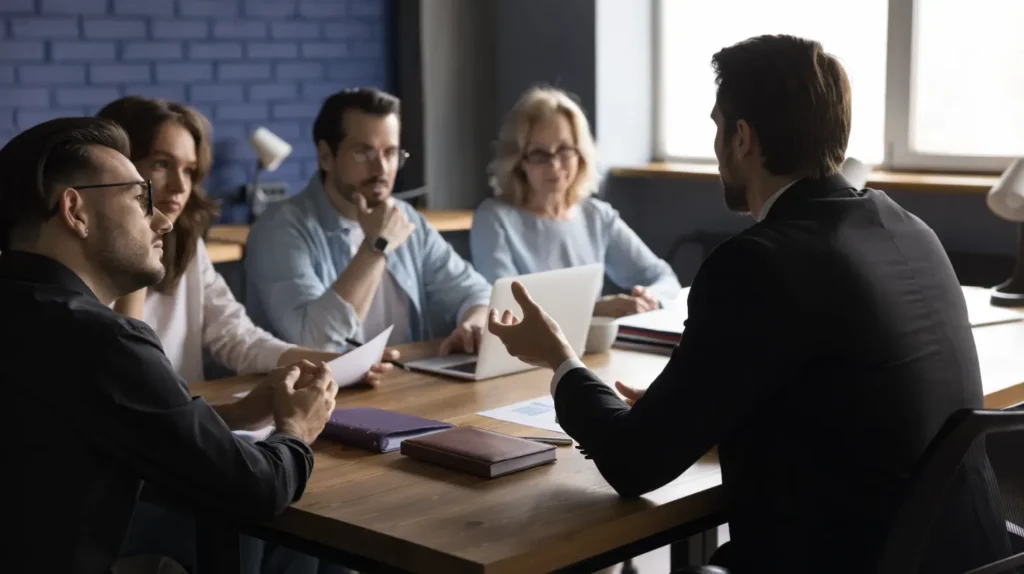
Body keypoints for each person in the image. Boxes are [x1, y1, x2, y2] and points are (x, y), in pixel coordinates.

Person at [485, 35, 1007, 574]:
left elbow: (632, 463)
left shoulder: (757, 264)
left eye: (716, 126)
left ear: (742, 138)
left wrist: (559, 360)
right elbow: (834, 401)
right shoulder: (909, 228)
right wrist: (691, 408)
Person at [0, 117, 338, 574]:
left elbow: (103, 419)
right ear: (75, 211)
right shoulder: (104, 339)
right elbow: (255, 489)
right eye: (140, 198)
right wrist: (297, 429)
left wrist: (230, 417)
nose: (160, 218)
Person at [97, 96, 399, 385]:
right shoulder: (81, 261)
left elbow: (238, 337)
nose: (179, 186)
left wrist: (337, 365)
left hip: (187, 423)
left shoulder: (186, 245)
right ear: (115, 165)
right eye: (161, 164)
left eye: (189, 171)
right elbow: (127, 379)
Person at [246, 88, 492, 355]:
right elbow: (314, 341)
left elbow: (476, 291)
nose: (381, 169)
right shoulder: (280, 230)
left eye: (391, 153)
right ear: (326, 156)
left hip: (404, 383)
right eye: (364, 153)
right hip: (319, 392)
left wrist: (474, 324)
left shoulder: (406, 218)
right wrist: (377, 246)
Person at [471, 86, 681, 317]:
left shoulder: (597, 216)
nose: (554, 166)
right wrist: (595, 311)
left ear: (581, 154)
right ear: (519, 161)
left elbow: (663, 278)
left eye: (564, 150)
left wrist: (649, 298)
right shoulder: (494, 220)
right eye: (539, 154)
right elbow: (507, 310)